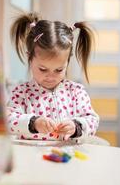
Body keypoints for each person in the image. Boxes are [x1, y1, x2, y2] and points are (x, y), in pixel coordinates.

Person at [7, 12, 99, 141]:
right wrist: (34, 123)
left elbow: (92, 120)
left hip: (68, 157)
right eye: (43, 69)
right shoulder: (22, 93)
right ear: (30, 57)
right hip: (32, 158)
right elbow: (7, 120)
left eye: (59, 70)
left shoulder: (76, 92)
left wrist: (75, 126)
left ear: (67, 62)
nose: (50, 76)